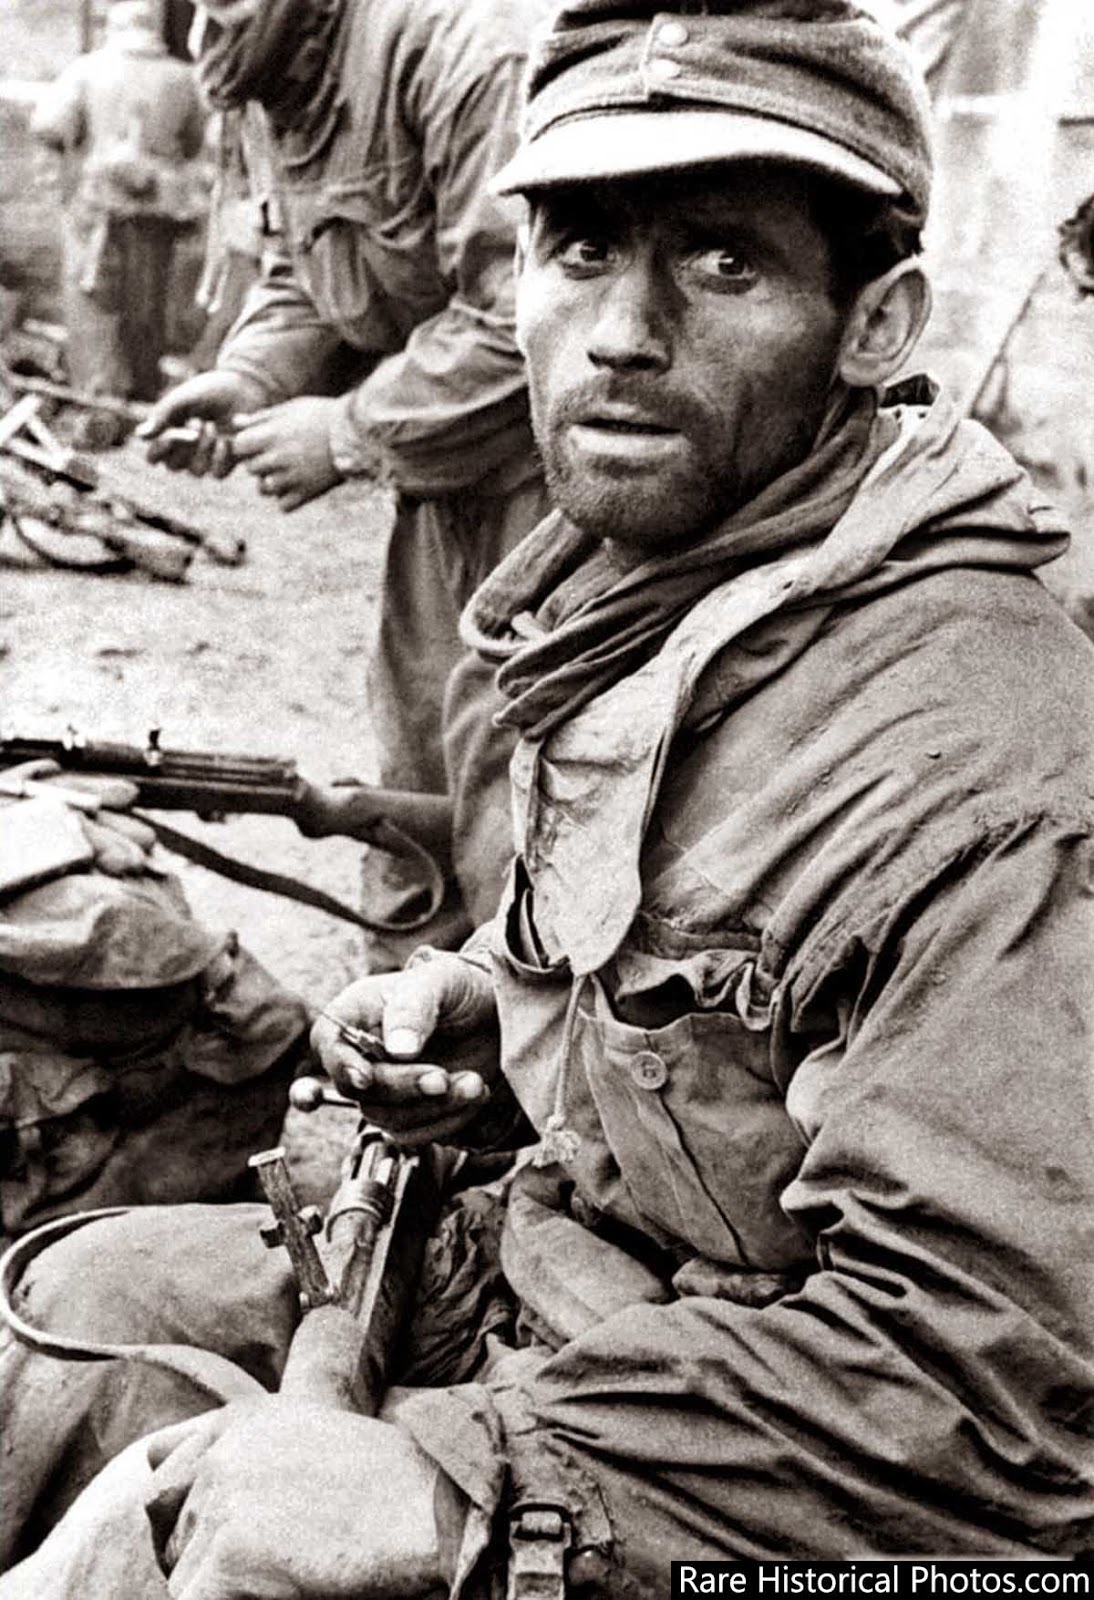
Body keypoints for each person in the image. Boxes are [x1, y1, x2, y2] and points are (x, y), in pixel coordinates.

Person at [4, 1, 1094, 1592]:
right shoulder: (655, 600)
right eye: (578, 251)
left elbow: (1001, 1396)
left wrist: (459, 1490)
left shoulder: (988, 775)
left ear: (875, 325)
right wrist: (501, 1031)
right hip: (555, 1268)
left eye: (722, 263)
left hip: (747, 1452)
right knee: (87, 1311)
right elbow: (700, 1003)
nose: (620, 331)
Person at [138, 0, 553, 963]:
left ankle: (521, 1057)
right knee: (420, 760)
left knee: (520, 777)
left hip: (560, 485)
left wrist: (347, 432)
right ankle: (409, 1042)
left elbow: (525, 319)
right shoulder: (263, 70)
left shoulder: (463, 50)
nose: (202, 31)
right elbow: (298, 265)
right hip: (443, 479)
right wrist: (251, 378)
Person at [30, 1, 207, 441]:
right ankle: (145, 404)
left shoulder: (88, 70)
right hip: (157, 214)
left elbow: (49, 125)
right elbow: (196, 142)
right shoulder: (181, 77)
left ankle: (100, 407)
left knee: (94, 305)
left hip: (100, 211)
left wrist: (63, 171)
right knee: (147, 306)